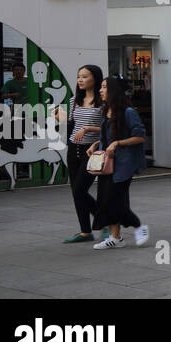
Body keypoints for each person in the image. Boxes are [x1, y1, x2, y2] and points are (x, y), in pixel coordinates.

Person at [89, 76, 149, 248]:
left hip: (123, 164)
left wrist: (117, 143)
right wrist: (95, 145)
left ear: (113, 90)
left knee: (114, 202)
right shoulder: (106, 110)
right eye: (100, 87)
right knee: (105, 201)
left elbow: (140, 137)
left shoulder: (128, 112)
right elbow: (107, 136)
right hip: (107, 163)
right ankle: (116, 238)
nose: (100, 90)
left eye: (104, 87)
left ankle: (139, 227)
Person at [57, 64, 104, 243]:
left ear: (95, 78)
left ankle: (105, 221)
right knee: (76, 192)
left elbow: (109, 130)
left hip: (92, 150)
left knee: (79, 189)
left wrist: (88, 128)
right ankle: (85, 231)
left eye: (84, 76)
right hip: (73, 149)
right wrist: (59, 120)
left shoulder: (103, 101)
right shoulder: (73, 101)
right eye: (78, 77)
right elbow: (71, 126)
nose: (80, 80)